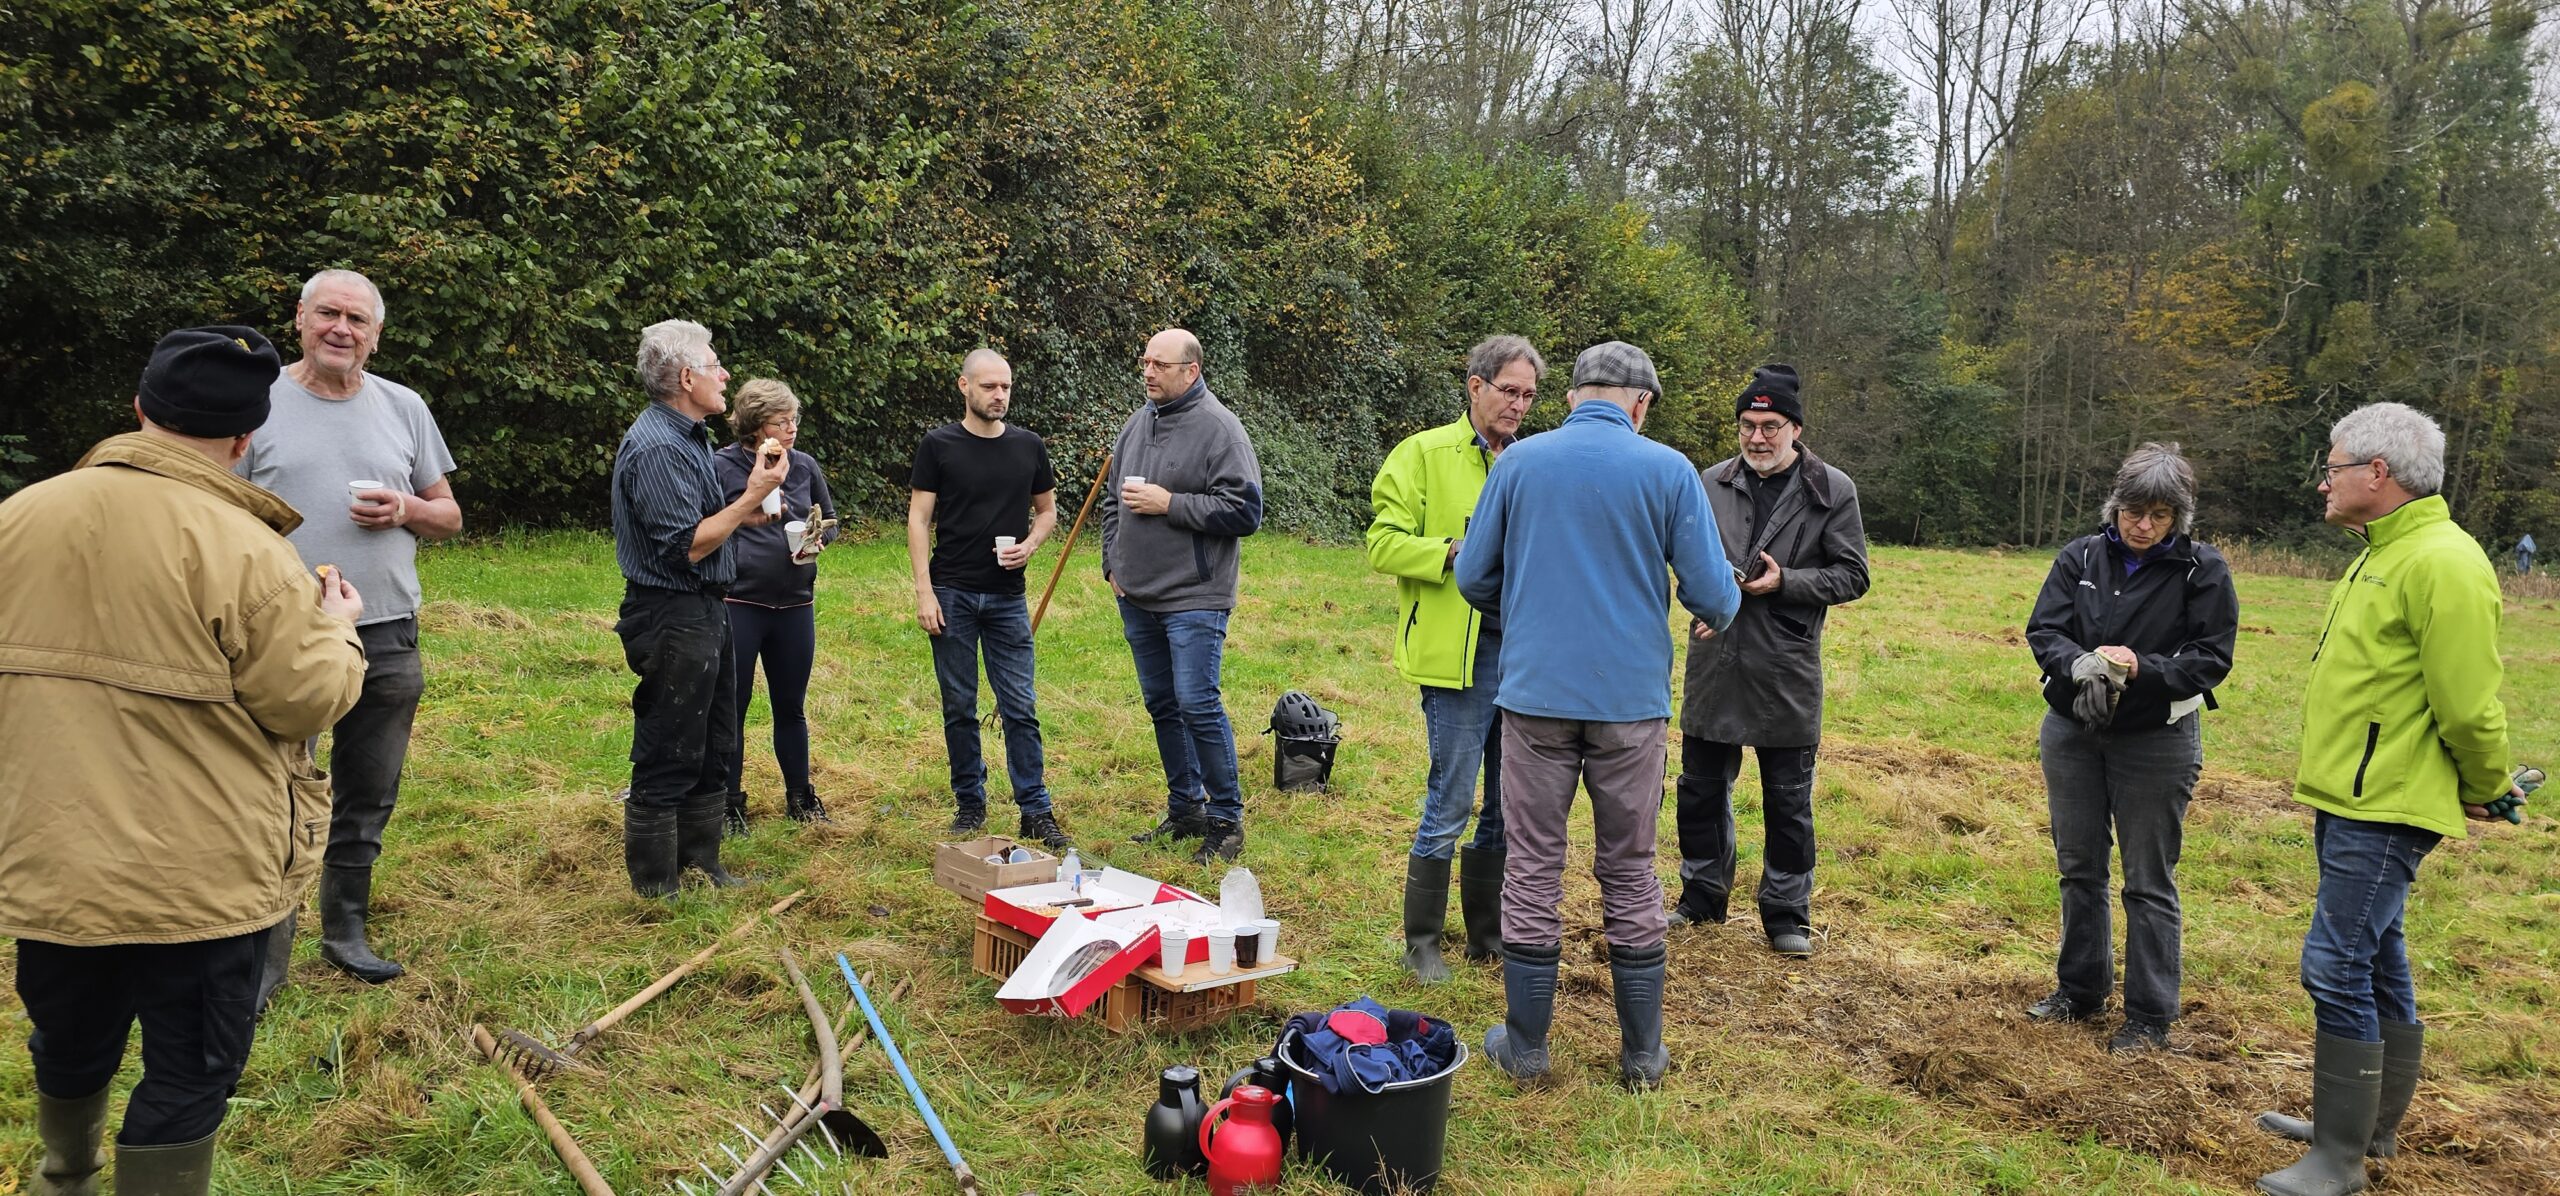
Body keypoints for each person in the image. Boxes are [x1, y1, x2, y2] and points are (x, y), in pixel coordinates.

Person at [0, 327, 367, 1194]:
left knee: (70, 1037)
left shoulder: (17, 518)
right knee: (189, 1067)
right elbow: (307, 698)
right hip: (198, 879)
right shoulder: (249, 554)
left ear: (138, 410)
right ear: (247, 437)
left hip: (53, 860)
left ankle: (64, 1177)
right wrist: (339, 631)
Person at [2254, 403, 2526, 1196]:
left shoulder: (2442, 561)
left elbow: (2470, 703)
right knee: (2378, 955)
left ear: (2378, 473)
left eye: (2333, 468)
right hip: (2352, 792)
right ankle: (2368, 1129)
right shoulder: (2382, 552)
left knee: (2334, 964)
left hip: (2386, 803)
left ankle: (2338, 1162)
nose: (2323, 483)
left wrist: (2485, 785)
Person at [1457, 341, 1740, 1091]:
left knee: (1533, 868)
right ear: (1640, 404)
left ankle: (1527, 1049)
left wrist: (1525, 610)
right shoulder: (1670, 470)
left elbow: (1474, 575)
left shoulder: (1519, 463)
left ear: (1573, 396)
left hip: (1535, 697)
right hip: (1629, 704)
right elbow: (1714, 595)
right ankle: (1642, 1054)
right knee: (1629, 868)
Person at [237, 269, 461, 1000]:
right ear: (299, 319)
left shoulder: (403, 406)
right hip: (280, 632)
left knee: (368, 791)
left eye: (358, 320)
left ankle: (346, 931)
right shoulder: (255, 402)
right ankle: (263, 958)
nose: (342, 329)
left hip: (387, 629)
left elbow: (449, 514)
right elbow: (212, 510)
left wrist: (406, 509)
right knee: (276, 792)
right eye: (328, 314)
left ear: (376, 334)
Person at [2021, 443, 2238, 1054]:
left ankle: (2149, 1016)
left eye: (2159, 516)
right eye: (2133, 512)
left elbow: (2210, 660)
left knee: (2148, 880)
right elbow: (2045, 631)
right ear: (2115, 507)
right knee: (2079, 866)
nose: (2143, 526)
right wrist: (2081, 665)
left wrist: (2141, 667)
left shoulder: (2203, 572)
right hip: (2072, 733)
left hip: (2156, 741)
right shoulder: (2080, 556)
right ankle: (2079, 989)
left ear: (2179, 518)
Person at [1671, 364, 1871, 958]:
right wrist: (1706, 596)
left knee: (1788, 798)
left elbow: (1854, 574)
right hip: (1715, 656)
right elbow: (1681, 557)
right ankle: (1702, 897)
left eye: (1769, 426)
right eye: (1747, 426)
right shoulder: (1707, 483)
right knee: (1699, 789)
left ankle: (1787, 913)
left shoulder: (1833, 489)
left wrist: (1788, 583)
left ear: (1796, 428)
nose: (1757, 438)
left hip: (1786, 665)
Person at [1367, 335, 1544, 982]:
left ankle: (1487, 935)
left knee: (1507, 800)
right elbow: (1382, 543)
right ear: (1475, 386)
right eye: (1509, 391)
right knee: (1451, 797)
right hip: (1456, 658)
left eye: (1529, 395)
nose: (1519, 405)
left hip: (1525, 656)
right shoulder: (1421, 454)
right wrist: (1449, 551)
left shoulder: (1533, 462)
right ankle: (1422, 940)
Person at [610, 319, 786, 897]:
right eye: (714, 365)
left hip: (705, 609)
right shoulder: (659, 446)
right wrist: (752, 498)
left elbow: (706, 529)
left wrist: (744, 511)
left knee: (714, 738)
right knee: (670, 740)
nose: (725, 374)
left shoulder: (688, 437)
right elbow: (686, 545)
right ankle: (656, 884)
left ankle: (702, 865)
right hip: (670, 613)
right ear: (686, 378)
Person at [1103, 328, 1265, 865]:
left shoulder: (1221, 430)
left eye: (1160, 364)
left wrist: (1170, 503)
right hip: (1138, 594)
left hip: (1195, 595)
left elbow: (1245, 512)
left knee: (1197, 702)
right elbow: (1112, 503)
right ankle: (1185, 808)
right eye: (1144, 361)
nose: (1148, 372)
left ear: (1191, 371)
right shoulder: (1136, 423)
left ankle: (1226, 819)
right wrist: (1113, 564)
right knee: (1163, 705)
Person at [908, 349, 1070, 850]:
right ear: (964, 386)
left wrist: (1032, 544)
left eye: (1005, 386)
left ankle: (1035, 810)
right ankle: (970, 803)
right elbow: (918, 520)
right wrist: (924, 591)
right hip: (951, 592)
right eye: (989, 387)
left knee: (1020, 705)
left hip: (1006, 599)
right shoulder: (938, 446)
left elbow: (1047, 511)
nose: (999, 395)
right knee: (959, 704)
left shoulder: (1028, 447)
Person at [714, 378, 839, 831]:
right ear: (754, 425)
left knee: (792, 706)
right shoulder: (723, 466)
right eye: (780, 421)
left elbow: (830, 520)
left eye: (794, 419)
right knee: (732, 704)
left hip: (795, 605)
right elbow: (708, 526)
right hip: (739, 601)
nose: (791, 429)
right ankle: (728, 802)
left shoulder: (804, 466)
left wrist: (817, 537)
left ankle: (800, 797)